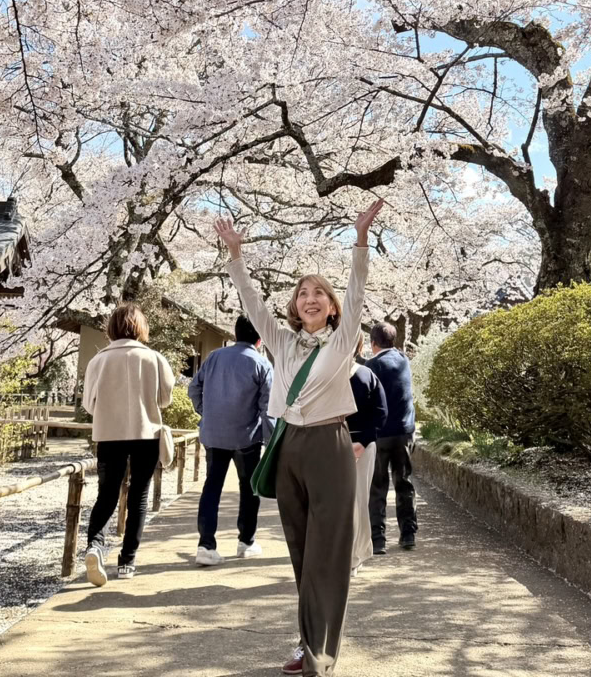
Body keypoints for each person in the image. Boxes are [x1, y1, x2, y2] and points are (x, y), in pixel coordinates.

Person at [215, 197, 384, 677]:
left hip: (331, 447)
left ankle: (319, 655)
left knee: (328, 554)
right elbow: (250, 301)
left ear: (331, 307)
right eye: (301, 293)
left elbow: (357, 290)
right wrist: (235, 255)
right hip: (287, 447)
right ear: (294, 306)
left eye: (318, 293)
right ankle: (309, 640)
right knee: (301, 550)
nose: (309, 298)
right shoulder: (281, 339)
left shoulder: (344, 334)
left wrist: (360, 240)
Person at [82, 303, 175, 585]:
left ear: (111, 328)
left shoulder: (98, 360)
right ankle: (127, 561)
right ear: (141, 328)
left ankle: (95, 546)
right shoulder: (155, 359)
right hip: (145, 433)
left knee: (107, 495)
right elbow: (165, 399)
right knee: (139, 498)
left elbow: (89, 404)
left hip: (109, 435)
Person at [188, 314, 273, 566]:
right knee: (249, 488)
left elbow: (194, 389)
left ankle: (206, 545)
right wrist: (271, 440)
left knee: (211, 486)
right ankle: (246, 542)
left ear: (235, 334)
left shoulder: (214, 356)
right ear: (259, 339)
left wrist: (206, 411)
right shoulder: (262, 364)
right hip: (246, 436)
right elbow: (267, 408)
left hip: (214, 434)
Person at [365, 321, 418, 554]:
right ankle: (408, 535)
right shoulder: (404, 360)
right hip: (404, 432)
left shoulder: (372, 366)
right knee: (404, 484)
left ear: (373, 343)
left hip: (380, 435)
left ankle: (378, 539)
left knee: (377, 487)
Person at [347, 333, 388, 577]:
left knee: (340, 501)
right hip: (362, 444)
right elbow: (381, 413)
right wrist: (363, 441)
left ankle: (348, 555)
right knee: (358, 500)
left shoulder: (326, 376)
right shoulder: (366, 375)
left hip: (336, 443)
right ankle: (354, 556)